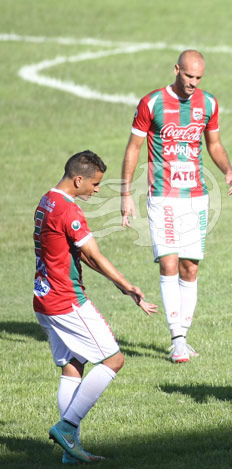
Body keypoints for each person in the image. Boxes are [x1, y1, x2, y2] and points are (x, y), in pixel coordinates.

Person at [35, 150, 158, 464]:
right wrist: (127, 285)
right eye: (95, 184)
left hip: (43, 299)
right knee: (114, 359)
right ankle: (67, 427)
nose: (97, 190)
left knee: (73, 365)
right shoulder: (68, 211)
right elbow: (93, 255)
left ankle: (70, 453)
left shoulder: (46, 200)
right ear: (78, 179)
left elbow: (75, 254)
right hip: (66, 300)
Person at [120, 50, 232, 363]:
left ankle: (183, 336)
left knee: (190, 266)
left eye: (198, 78)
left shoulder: (208, 103)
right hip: (162, 195)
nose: (193, 84)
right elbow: (133, 148)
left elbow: (213, 143)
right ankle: (177, 338)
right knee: (168, 263)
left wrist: (227, 169)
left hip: (196, 197)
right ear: (176, 70)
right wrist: (125, 193)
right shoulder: (152, 103)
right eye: (188, 77)